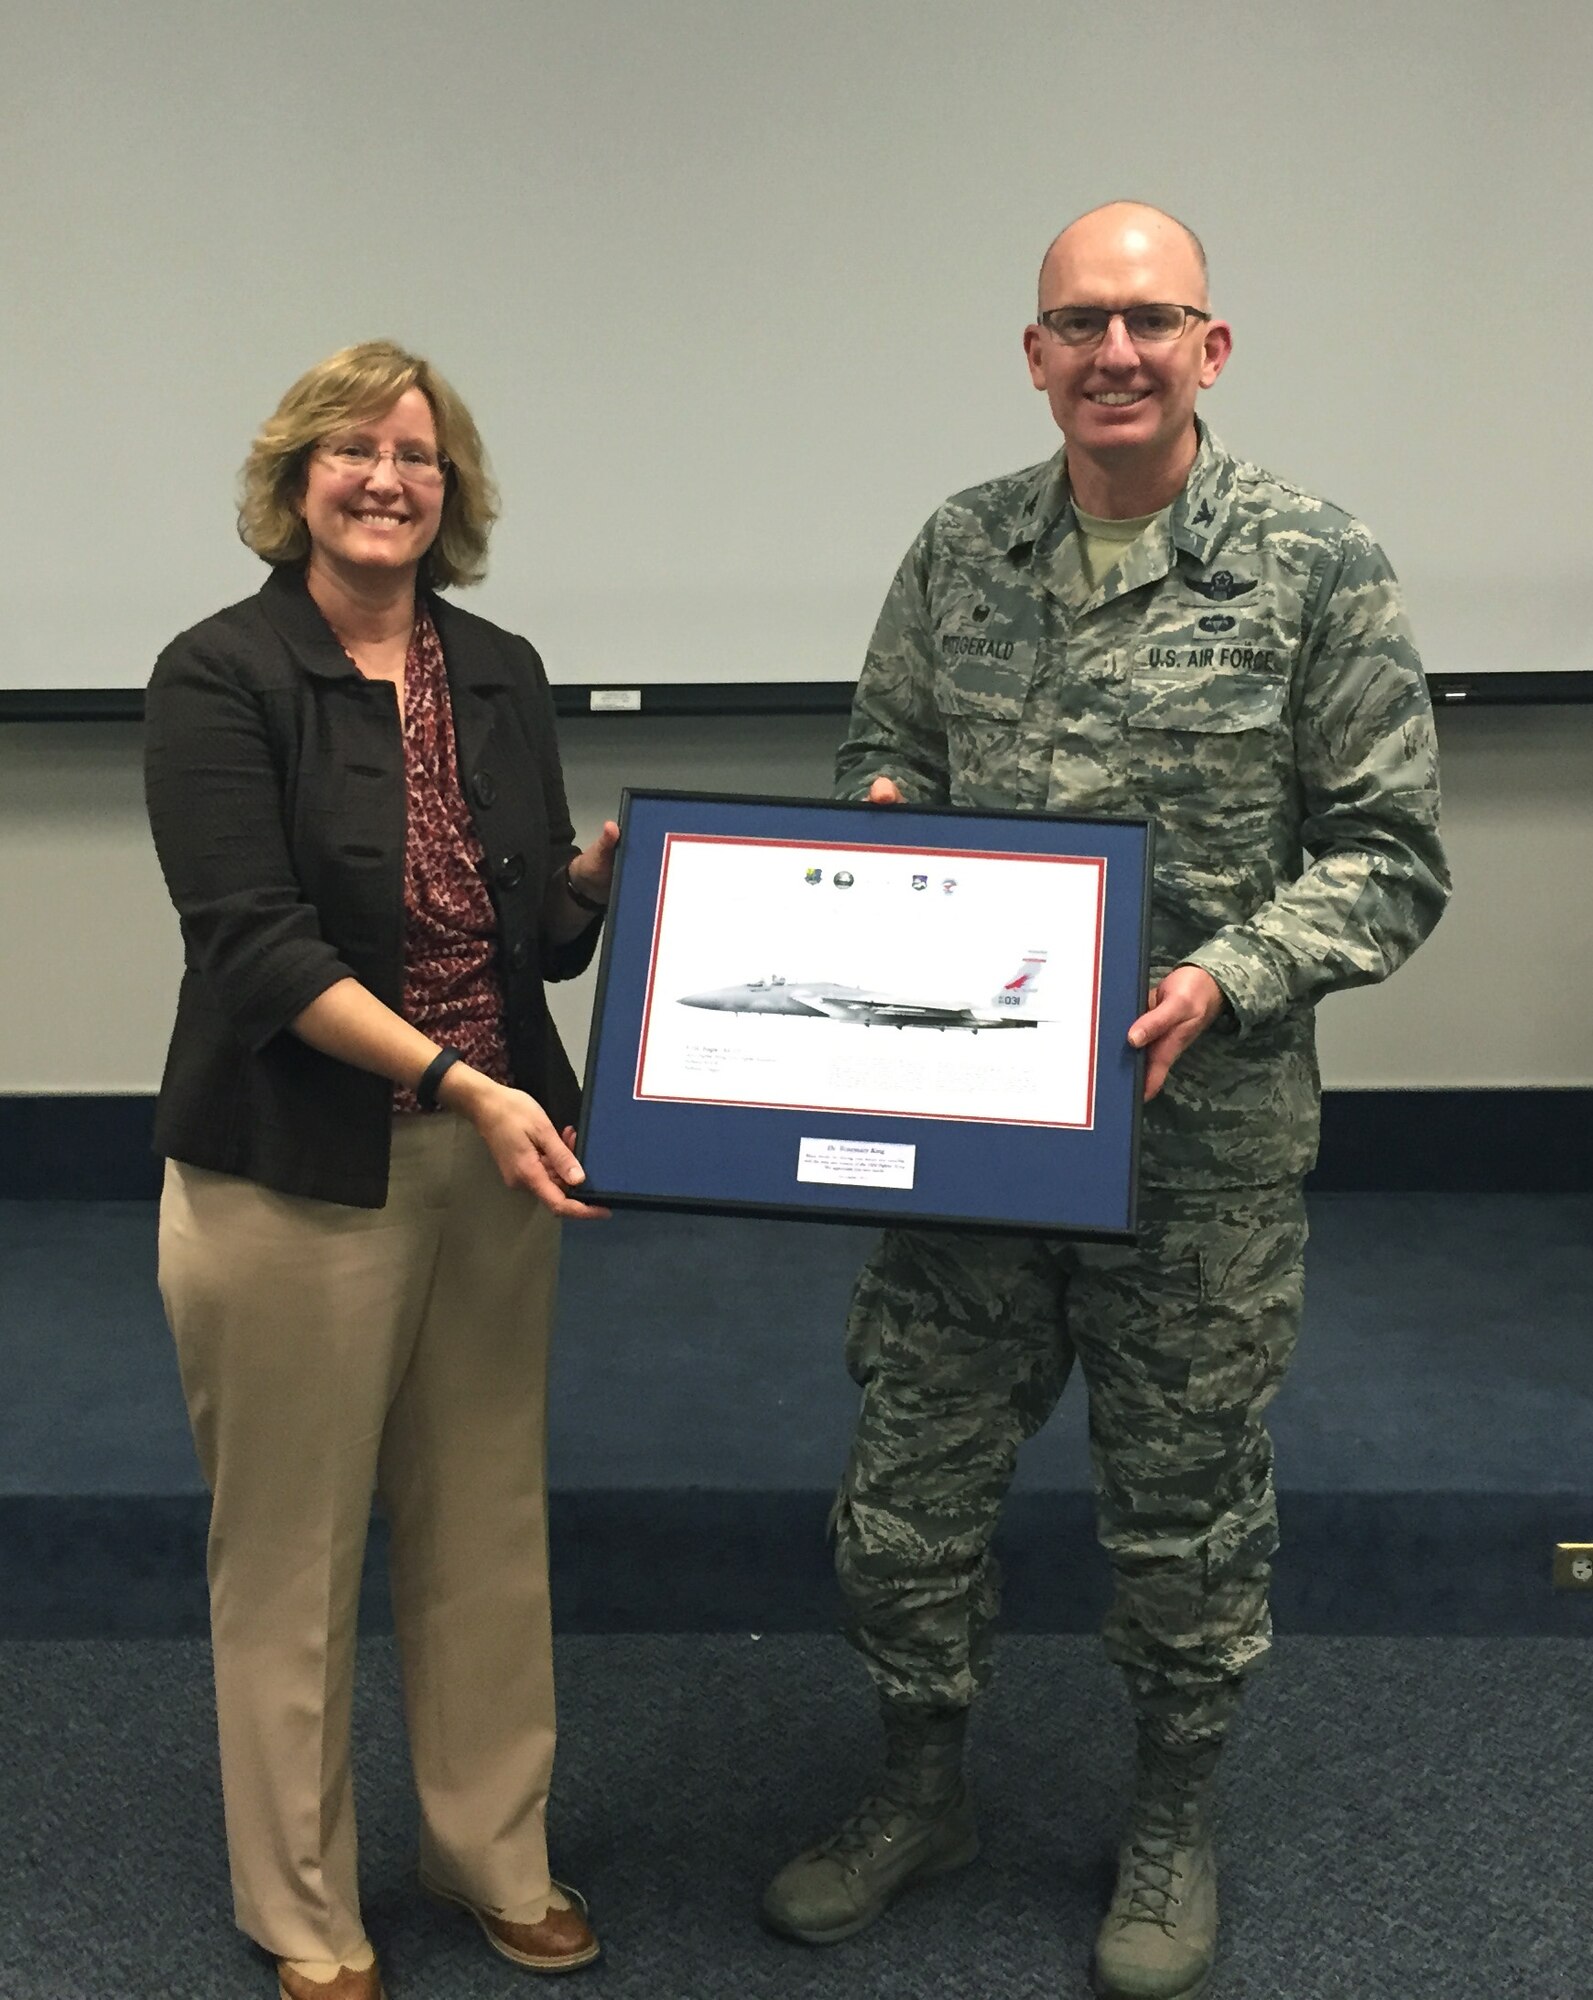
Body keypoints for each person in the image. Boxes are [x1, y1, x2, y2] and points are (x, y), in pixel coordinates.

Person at [761, 204, 1451, 1997]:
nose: (1114, 353)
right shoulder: (960, 545)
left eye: (1149, 321)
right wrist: (886, 813)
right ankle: (923, 1786)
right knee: (903, 1497)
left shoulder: (1312, 564)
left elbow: (1386, 856)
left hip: (1195, 1147)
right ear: (1036, 354)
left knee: (1182, 1511)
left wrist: (1229, 974)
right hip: (965, 1131)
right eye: (1079, 322)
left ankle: (1171, 1814)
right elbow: (874, 753)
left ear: (1208, 349)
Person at [145, 341, 616, 2000]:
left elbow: (524, 940)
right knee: (289, 1549)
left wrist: (599, 883)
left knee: (483, 1521)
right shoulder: (218, 673)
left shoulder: (496, 667)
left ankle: (497, 1853)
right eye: (350, 451)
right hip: (291, 1173)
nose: (386, 477)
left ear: (451, 491)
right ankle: (306, 1911)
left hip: (491, 1169)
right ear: (294, 482)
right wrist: (453, 1082)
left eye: (416, 453)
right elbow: (253, 946)